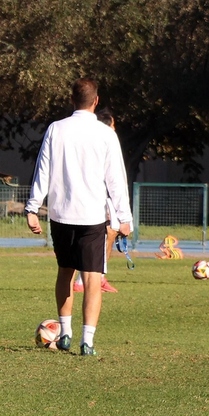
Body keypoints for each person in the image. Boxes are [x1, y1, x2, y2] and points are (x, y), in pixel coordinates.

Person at [25, 78, 134, 356]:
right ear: (96, 101)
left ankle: (65, 333)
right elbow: (116, 179)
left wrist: (32, 207)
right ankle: (88, 341)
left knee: (65, 272)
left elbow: (42, 170)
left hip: (61, 215)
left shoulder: (56, 129)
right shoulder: (106, 133)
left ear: (71, 100)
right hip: (92, 217)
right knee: (92, 279)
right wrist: (124, 217)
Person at [71, 109, 121, 295]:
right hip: (92, 199)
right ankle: (81, 281)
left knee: (110, 233)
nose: (114, 128)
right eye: (113, 125)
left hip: (103, 198)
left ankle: (97, 277)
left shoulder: (106, 141)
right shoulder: (100, 141)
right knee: (90, 237)